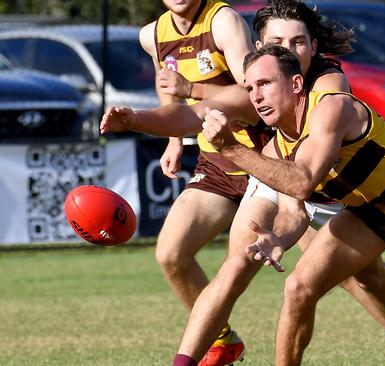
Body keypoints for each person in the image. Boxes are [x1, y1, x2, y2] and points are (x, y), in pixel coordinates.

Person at [103, 1, 385, 365]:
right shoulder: (258, 79)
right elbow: (191, 115)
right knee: (237, 268)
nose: (289, 50)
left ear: (314, 46)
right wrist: (136, 119)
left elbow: (305, 178)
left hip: (326, 183)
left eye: (299, 42)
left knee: (363, 275)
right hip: (271, 170)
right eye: (278, 41)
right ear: (259, 45)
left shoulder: (328, 83)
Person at [198, 44, 385, 366]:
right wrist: (278, 238)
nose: (256, 96)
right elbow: (292, 212)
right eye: (249, 88)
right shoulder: (274, 151)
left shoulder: (331, 108)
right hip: (374, 212)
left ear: (296, 84)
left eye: (265, 84)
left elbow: (303, 180)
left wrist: (230, 148)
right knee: (297, 288)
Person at [138, 1, 256, 364]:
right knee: (171, 254)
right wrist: (174, 140)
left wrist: (191, 86)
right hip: (217, 162)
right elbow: (166, 86)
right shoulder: (152, 35)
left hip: (266, 159)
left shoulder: (223, 22)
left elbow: (253, 90)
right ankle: (221, 341)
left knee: (349, 271)